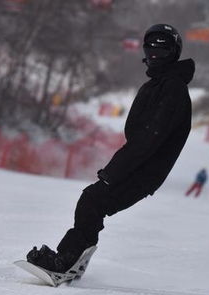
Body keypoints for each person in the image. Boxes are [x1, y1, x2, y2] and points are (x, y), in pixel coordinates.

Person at [26, 24, 195, 273]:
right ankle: (73, 261)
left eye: (162, 49)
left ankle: (67, 262)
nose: (155, 55)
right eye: (150, 48)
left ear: (174, 52)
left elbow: (151, 137)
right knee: (92, 202)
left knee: (92, 201)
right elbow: (141, 136)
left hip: (144, 170)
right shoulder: (157, 85)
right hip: (139, 165)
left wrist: (113, 172)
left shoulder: (173, 89)